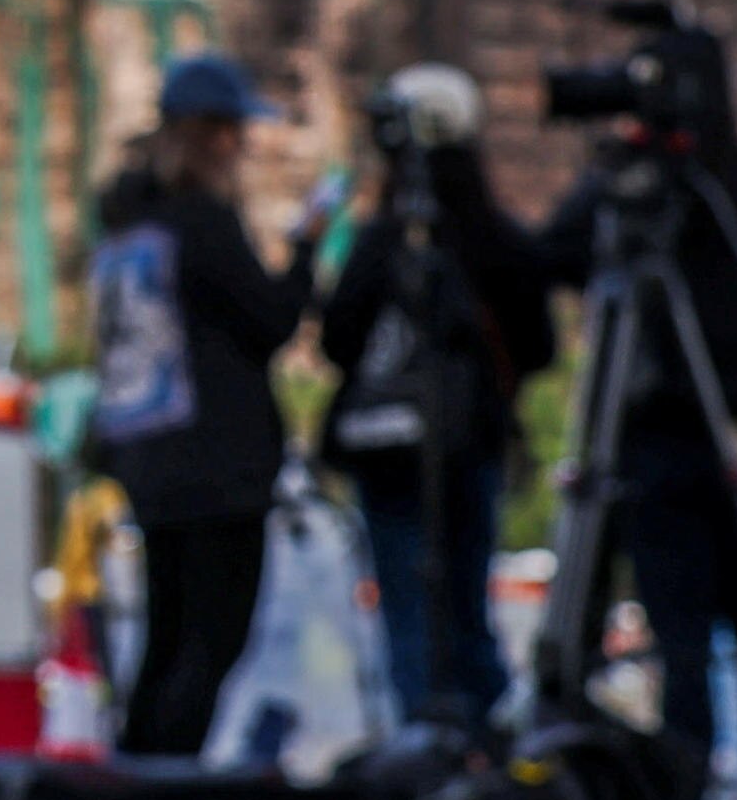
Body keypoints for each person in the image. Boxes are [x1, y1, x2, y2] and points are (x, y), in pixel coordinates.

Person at [531, 28, 737, 800]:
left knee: (692, 638)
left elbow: (550, 255)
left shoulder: (695, 192)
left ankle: (704, 798)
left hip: (688, 441)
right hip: (735, 442)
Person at [315, 65, 555, 729]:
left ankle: (430, 741)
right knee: (466, 606)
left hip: (395, 451)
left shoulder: (383, 237)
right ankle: (482, 740)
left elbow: (338, 337)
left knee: (411, 612)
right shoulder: (494, 237)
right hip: (466, 444)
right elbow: (539, 344)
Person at [91, 54, 315, 759]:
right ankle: (167, 790)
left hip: (153, 464)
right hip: (220, 469)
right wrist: (306, 249)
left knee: (164, 643)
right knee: (212, 643)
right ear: (212, 136)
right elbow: (271, 319)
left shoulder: (129, 226)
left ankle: (137, 787)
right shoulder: (202, 222)